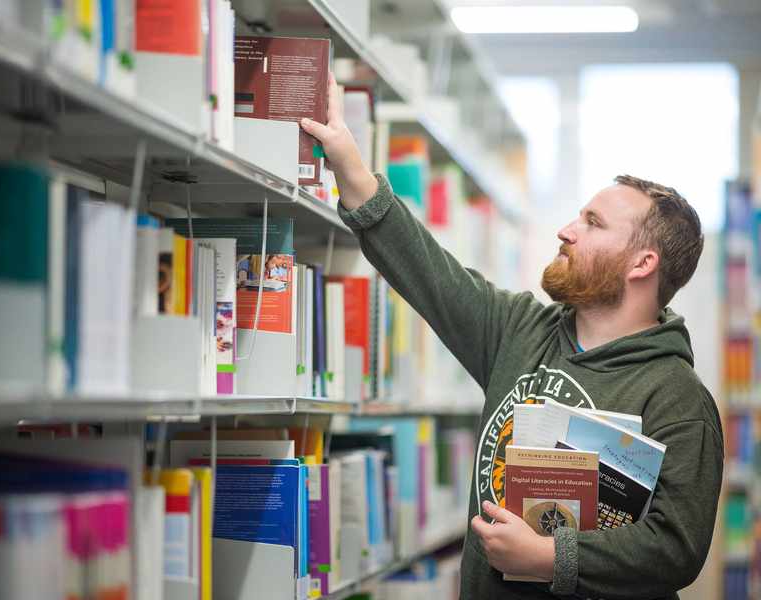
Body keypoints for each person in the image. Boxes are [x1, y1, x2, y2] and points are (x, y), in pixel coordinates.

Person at [300, 74, 723, 600]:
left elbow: (677, 547)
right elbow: (429, 272)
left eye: (592, 223)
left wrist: (551, 558)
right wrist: (349, 164)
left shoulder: (678, 396)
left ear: (643, 263)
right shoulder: (519, 331)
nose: (567, 229)